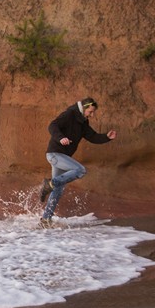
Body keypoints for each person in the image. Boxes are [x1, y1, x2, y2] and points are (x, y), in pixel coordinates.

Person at [38, 97, 116, 228]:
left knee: (57, 191)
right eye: (90, 112)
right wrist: (61, 137)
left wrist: (107, 137)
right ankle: (50, 184)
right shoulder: (70, 114)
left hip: (62, 157)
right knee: (80, 170)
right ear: (84, 108)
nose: (92, 115)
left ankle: (45, 219)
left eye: (93, 113)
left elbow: (92, 136)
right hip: (55, 154)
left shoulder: (83, 122)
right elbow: (52, 125)